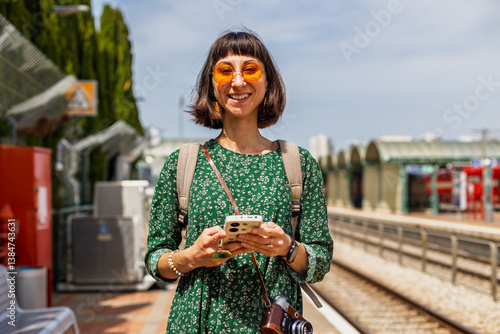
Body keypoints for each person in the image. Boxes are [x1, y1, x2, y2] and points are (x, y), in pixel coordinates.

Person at [145, 29, 333, 333]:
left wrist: (287, 247)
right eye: (224, 71)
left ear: (267, 80)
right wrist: (191, 257)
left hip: (271, 324)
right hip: (197, 322)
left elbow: (320, 259)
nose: (238, 81)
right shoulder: (183, 163)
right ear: (211, 84)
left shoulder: (297, 163)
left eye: (250, 69)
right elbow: (155, 259)